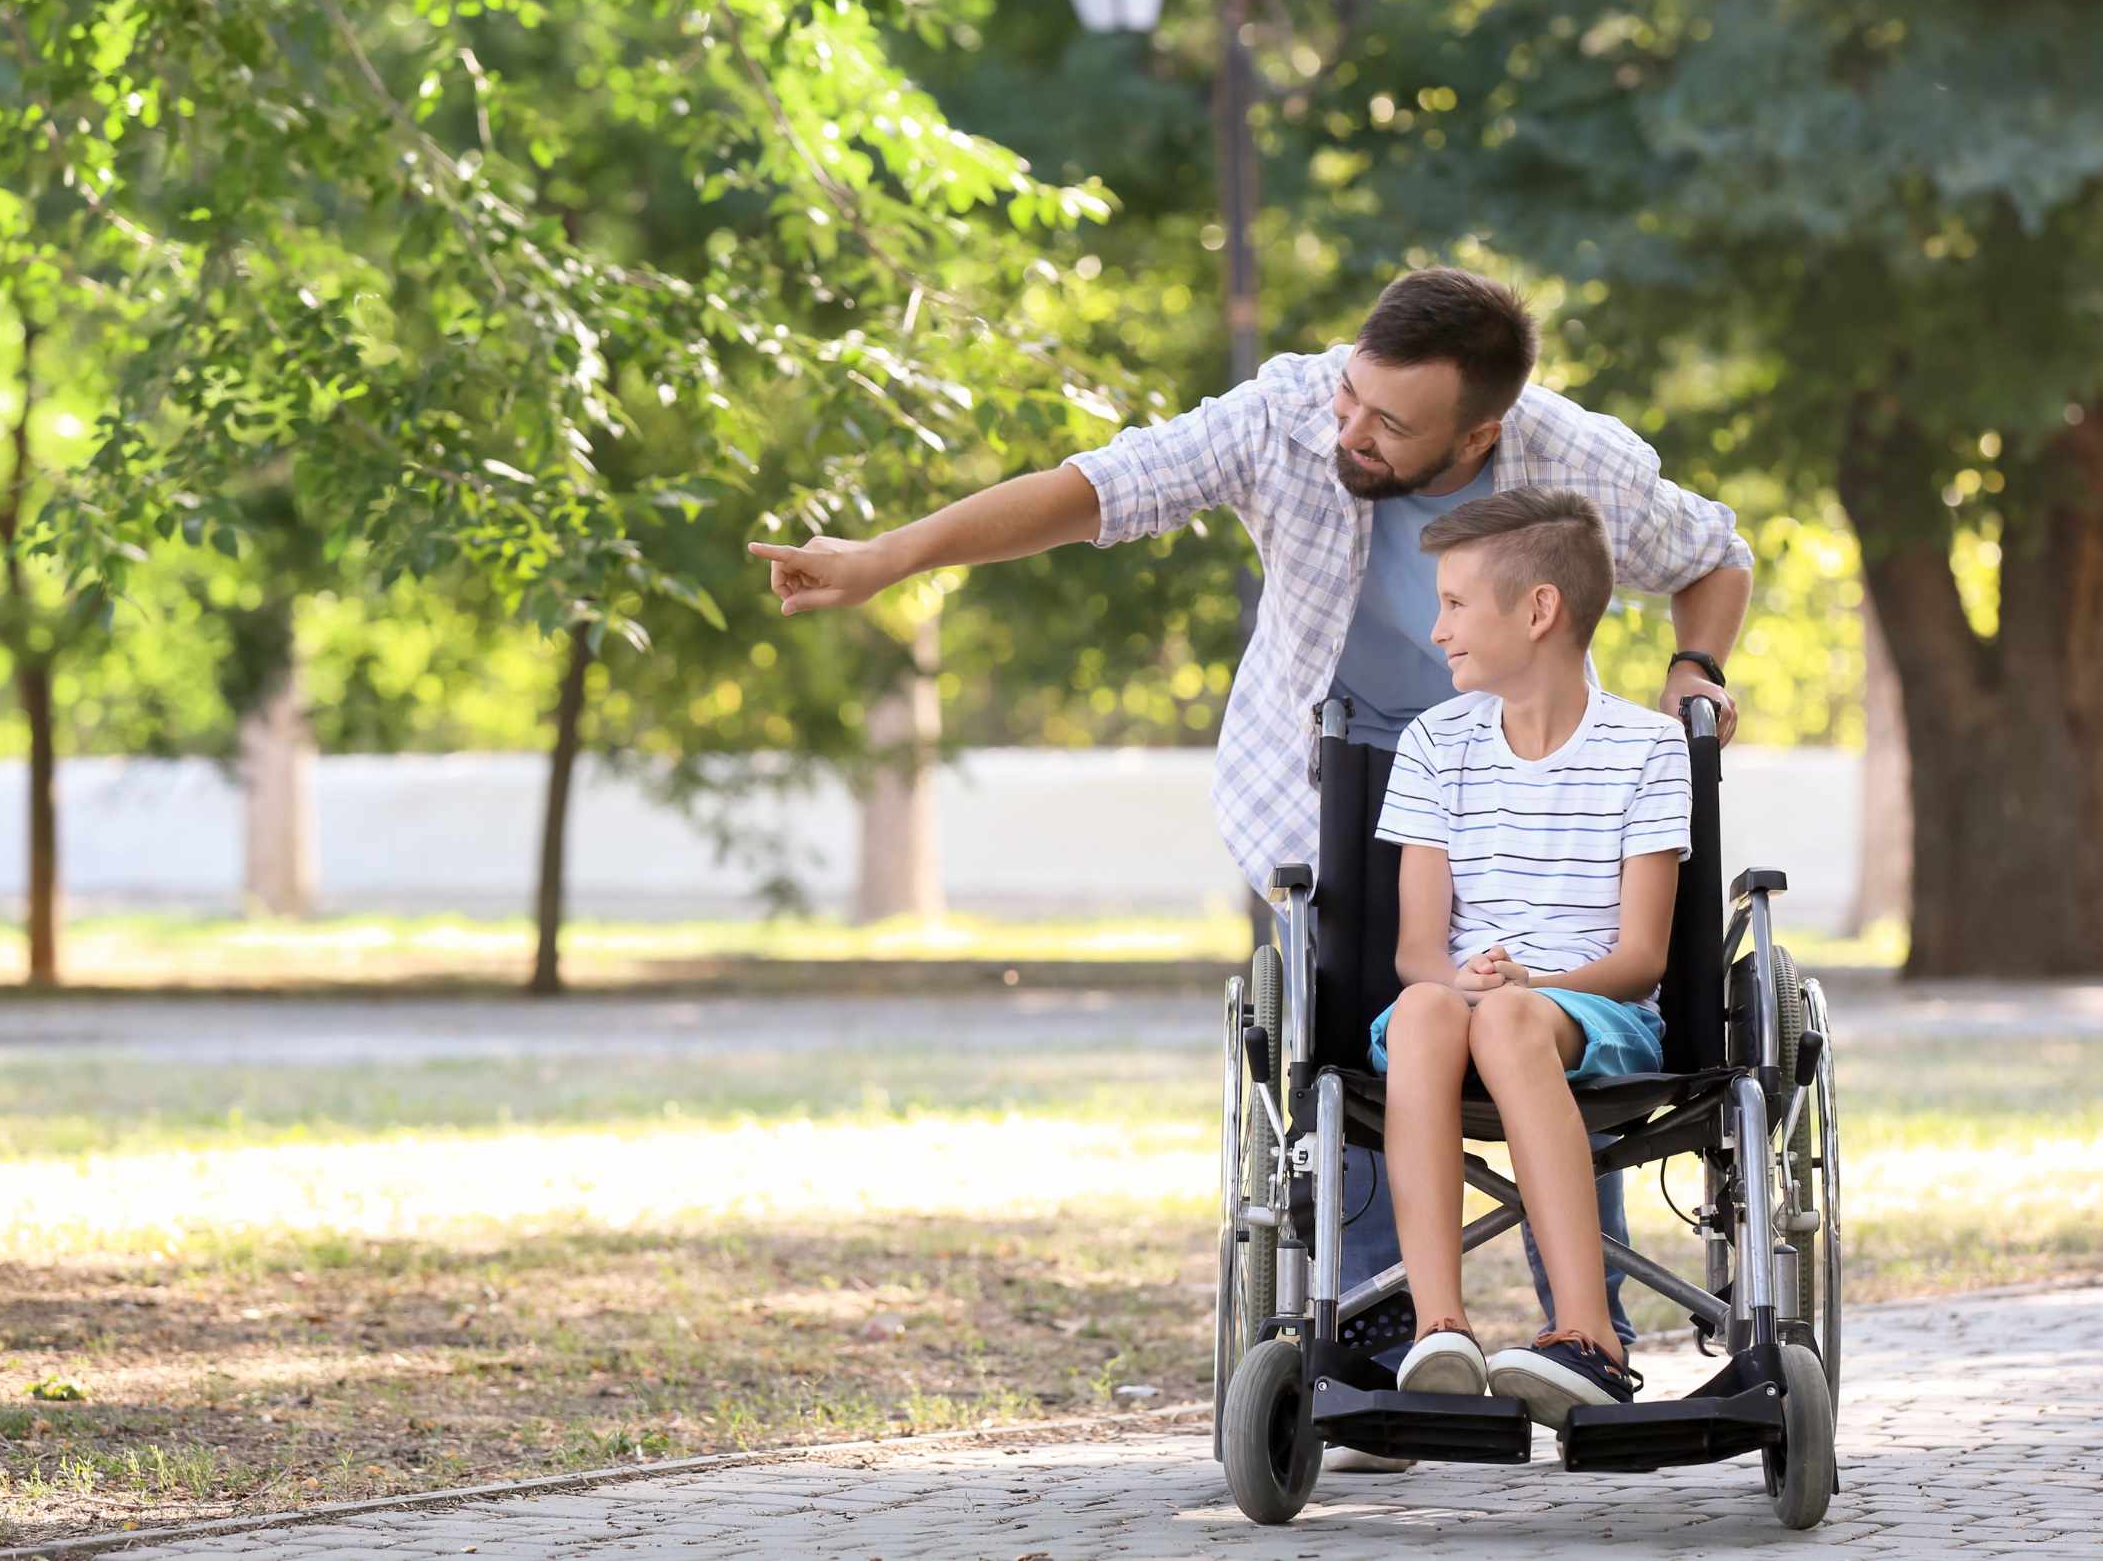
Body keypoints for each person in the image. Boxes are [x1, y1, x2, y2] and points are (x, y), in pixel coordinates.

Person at [750, 268, 1751, 1467]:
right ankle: (1383, 1336)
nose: (1352, 433)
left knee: (1537, 1019)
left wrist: (1697, 664)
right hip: (1345, 772)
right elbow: (1094, 491)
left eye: (1391, 426)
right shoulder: (1287, 414)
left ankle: (1583, 1331)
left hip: (1539, 772)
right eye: (1352, 399)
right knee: (1365, 1030)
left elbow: (1715, 552)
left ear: (1479, 434)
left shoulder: (1573, 459)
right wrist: (890, 559)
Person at [1369, 486, 1687, 1426]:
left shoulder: (1648, 749)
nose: (1438, 630)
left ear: (1539, 610)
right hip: (1460, 1008)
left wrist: (1530, 987)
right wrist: (1460, 981)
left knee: (1507, 1017)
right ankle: (1441, 1330)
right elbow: (1417, 953)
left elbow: (1640, 959)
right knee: (1431, 1008)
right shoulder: (1433, 743)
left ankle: (1589, 1336)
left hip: (1597, 1018)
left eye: (1457, 605)